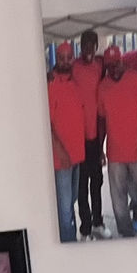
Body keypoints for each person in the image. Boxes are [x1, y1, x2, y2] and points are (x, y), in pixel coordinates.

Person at [96, 44, 137, 238]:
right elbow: (102, 120)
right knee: (118, 199)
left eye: (116, 64)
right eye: (109, 66)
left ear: (122, 61)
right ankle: (126, 233)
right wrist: (100, 149)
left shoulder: (135, 79)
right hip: (115, 154)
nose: (113, 69)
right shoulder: (103, 86)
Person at [47, 44, 89, 243]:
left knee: (70, 204)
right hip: (60, 159)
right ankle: (68, 247)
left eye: (69, 57)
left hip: (76, 156)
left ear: (74, 58)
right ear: (56, 58)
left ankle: (68, 241)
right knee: (65, 211)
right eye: (61, 57)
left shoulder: (75, 83)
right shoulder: (50, 84)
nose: (65, 61)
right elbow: (46, 123)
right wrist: (61, 152)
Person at [74, 28, 108, 239]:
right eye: (84, 46)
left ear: (96, 48)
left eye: (91, 46)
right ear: (81, 47)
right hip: (77, 137)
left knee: (96, 183)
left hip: (95, 136)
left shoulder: (100, 66)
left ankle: (98, 222)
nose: (87, 49)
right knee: (81, 186)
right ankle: (85, 227)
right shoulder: (73, 67)